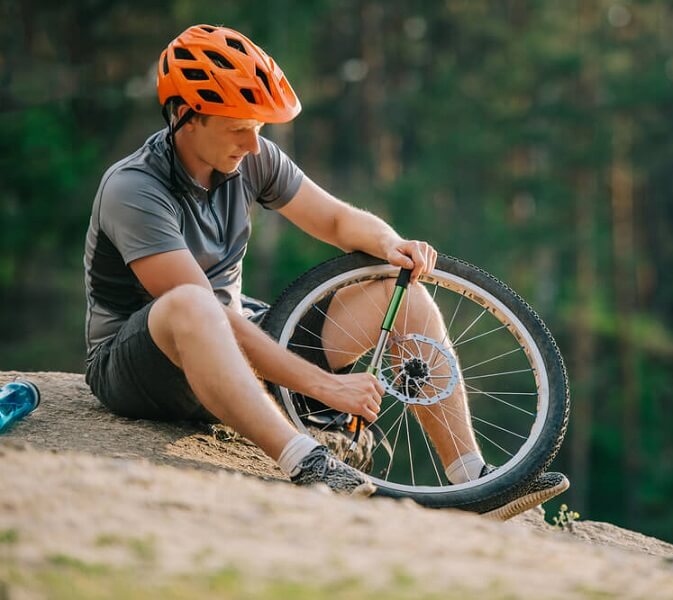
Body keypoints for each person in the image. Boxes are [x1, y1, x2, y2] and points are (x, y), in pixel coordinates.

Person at [83, 24, 568, 518]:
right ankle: (306, 462)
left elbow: (336, 219)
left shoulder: (251, 159)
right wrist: (325, 386)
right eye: (238, 128)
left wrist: (391, 243)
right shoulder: (134, 190)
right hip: (146, 365)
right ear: (187, 117)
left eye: (259, 129)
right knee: (193, 303)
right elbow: (206, 314)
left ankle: (473, 484)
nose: (253, 145)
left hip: (238, 350)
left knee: (402, 295)